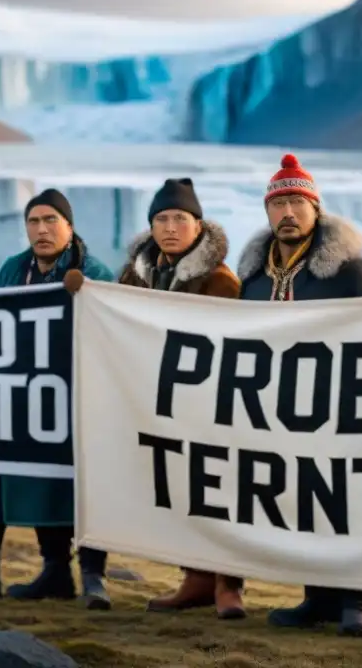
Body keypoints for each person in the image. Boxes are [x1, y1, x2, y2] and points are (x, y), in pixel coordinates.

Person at [0, 188, 118, 610]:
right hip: (17, 396)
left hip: (74, 401)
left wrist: (86, 296)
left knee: (73, 487)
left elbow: (111, 331)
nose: (42, 230)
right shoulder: (13, 269)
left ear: (69, 227)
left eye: (51, 221)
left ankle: (86, 575)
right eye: (34, 222)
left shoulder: (93, 271)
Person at [237, 153, 362, 637]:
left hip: (343, 409)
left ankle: (357, 602)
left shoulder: (351, 272)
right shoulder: (254, 280)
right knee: (301, 501)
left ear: (315, 209)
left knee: (350, 500)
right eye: (278, 204)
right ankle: (316, 598)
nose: (288, 214)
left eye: (297, 203)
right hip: (279, 412)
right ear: (266, 212)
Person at [118, 177, 247, 620]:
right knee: (181, 492)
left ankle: (229, 586)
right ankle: (195, 579)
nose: (170, 227)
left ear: (198, 225)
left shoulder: (220, 279)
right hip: (157, 402)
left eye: (179, 218)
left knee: (220, 490)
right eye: (161, 219)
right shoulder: (136, 273)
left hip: (209, 404)